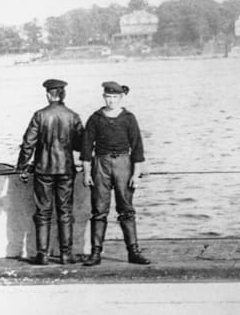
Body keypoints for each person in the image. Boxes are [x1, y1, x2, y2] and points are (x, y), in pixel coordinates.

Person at [82, 81, 151, 267]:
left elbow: (137, 147)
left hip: (123, 164)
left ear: (121, 98)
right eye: (108, 97)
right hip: (100, 164)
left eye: (115, 97)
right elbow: (87, 148)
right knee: (99, 210)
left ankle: (133, 252)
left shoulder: (129, 118)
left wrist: (136, 174)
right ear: (103, 97)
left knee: (126, 209)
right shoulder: (95, 118)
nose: (111, 100)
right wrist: (87, 172)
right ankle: (95, 253)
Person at [17, 79, 85, 265]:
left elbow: (28, 144)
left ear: (48, 94)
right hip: (65, 169)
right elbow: (81, 144)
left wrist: (22, 166)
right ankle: (65, 254)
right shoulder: (73, 116)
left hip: (43, 169)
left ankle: (43, 255)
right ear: (63, 95)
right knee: (65, 212)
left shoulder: (39, 115)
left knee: (43, 212)